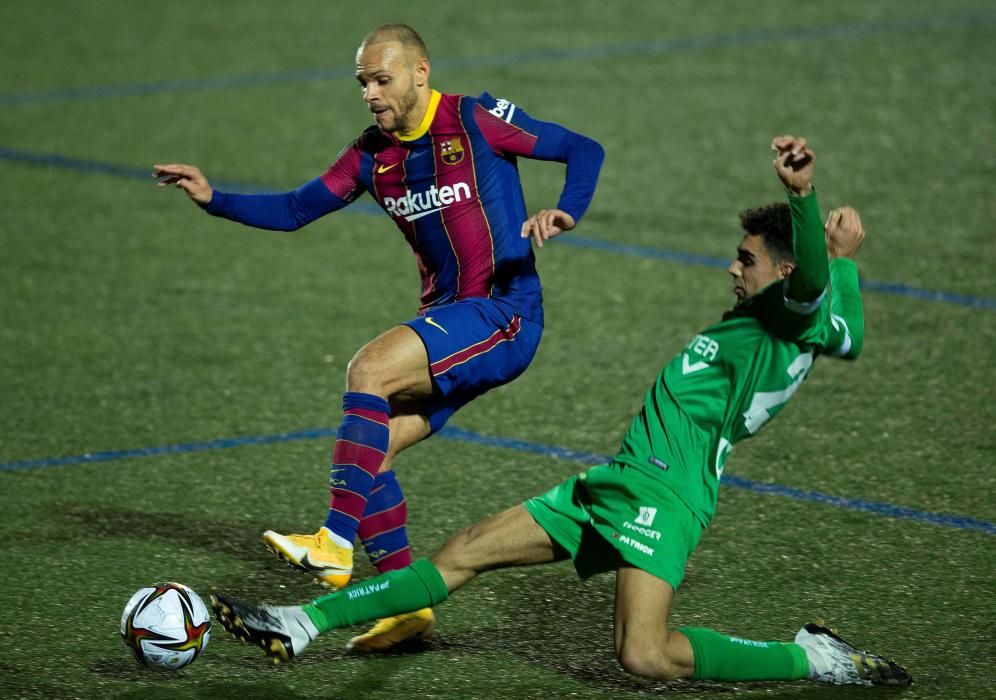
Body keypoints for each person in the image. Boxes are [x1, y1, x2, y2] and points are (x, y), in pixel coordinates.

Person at [209, 135, 912, 687]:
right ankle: (299, 622)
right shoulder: (811, 325)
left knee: (645, 656)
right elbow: (846, 330)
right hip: (618, 481)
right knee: (462, 553)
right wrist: (847, 261)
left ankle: (809, 660)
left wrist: (805, 201)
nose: (734, 269)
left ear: (783, 275)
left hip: (663, 498)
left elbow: (813, 283)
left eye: (746, 260)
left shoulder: (784, 317)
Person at [153, 24, 604, 651]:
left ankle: (334, 544)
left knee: (369, 369)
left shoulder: (475, 119)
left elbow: (584, 148)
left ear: (421, 72)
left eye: (381, 78)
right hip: (452, 322)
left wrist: (567, 209)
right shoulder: (371, 155)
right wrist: (213, 198)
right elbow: (294, 210)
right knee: (373, 455)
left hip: (504, 313)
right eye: (363, 81)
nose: (369, 92)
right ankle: (405, 608)